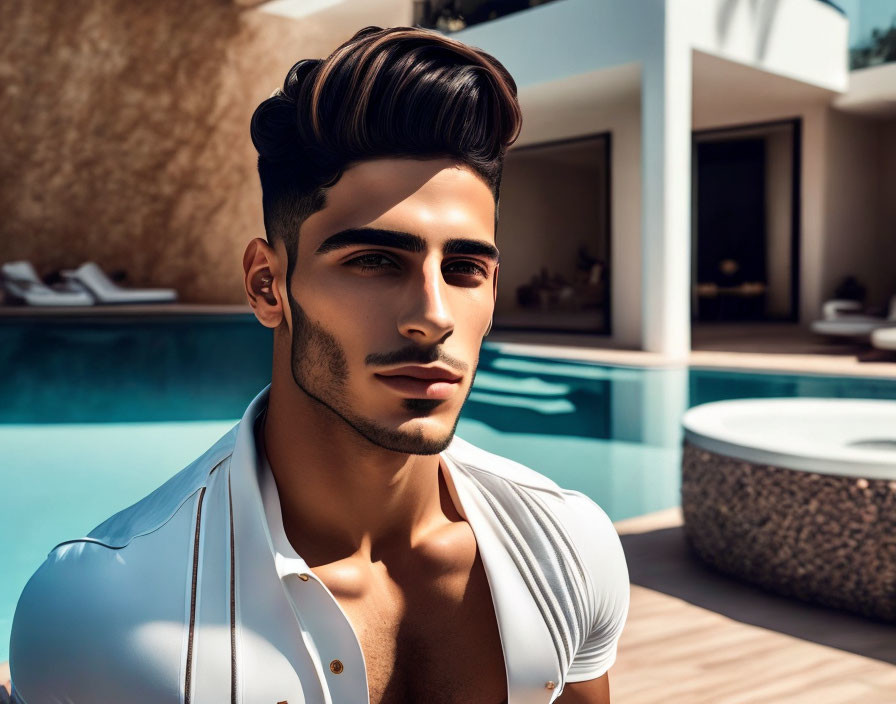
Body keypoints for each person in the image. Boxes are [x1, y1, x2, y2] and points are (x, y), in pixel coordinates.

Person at [5, 25, 629, 704]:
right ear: (267, 285)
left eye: (464, 268)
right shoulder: (101, 610)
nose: (434, 314)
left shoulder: (571, 543)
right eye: (374, 261)